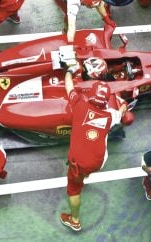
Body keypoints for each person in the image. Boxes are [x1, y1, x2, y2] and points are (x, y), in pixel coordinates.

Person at [60, 66, 126, 232]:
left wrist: (68, 70)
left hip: (79, 163)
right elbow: (122, 112)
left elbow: (68, 86)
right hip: (98, 161)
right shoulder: (110, 115)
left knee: (74, 189)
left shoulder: (79, 104)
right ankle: (86, 175)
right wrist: (123, 102)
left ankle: (74, 220)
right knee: (87, 166)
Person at [49, 0, 114, 43]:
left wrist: (108, 21)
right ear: (84, 2)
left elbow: (99, 5)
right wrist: (70, 45)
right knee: (68, 15)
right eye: (92, 6)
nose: (94, 8)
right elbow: (71, 27)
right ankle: (65, 31)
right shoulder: (73, 3)